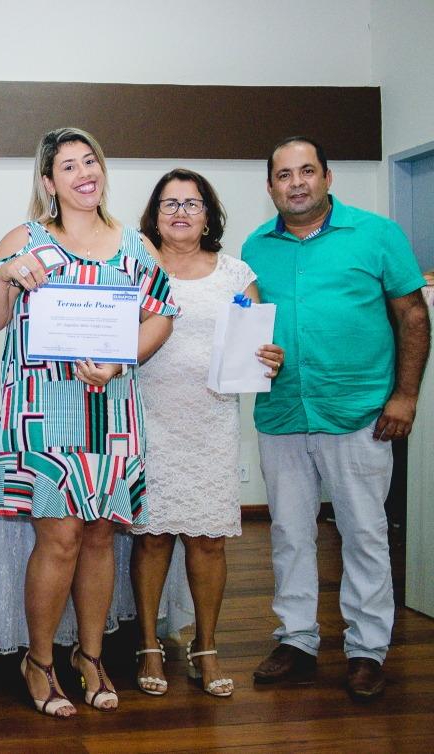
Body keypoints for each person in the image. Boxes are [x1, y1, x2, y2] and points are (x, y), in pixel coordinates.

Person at [0, 128, 180, 718]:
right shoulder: (25, 240)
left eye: (91, 161)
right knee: (59, 539)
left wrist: (122, 360)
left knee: (98, 535)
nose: (84, 173)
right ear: (49, 182)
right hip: (40, 411)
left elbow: (161, 316)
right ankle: (39, 660)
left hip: (111, 410)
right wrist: (5, 275)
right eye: (69, 166)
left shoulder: (136, 245)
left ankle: (90, 656)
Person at [244, 136, 431, 699]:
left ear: (327, 176)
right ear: (270, 185)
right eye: (284, 174)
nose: (296, 182)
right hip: (282, 412)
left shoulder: (377, 235)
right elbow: (242, 328)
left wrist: (405, 397)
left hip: (358, 412)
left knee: (365, 533)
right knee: (289, 534)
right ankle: (297, 639)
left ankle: (367, 648)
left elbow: (413, 317)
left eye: (307, 171)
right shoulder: (253, 249)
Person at [130, 169, 284, 699]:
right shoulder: (136, 267)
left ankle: (206, 646)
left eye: (192, 204)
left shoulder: (235, 272)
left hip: (211, 419)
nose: (180, 212)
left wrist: (268, 356)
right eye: (169, 203)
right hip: (147, 417)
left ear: (208, 215)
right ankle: (149, 644)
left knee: (208, 539)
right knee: (151, 538)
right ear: (155, 214)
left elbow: (254, 340)